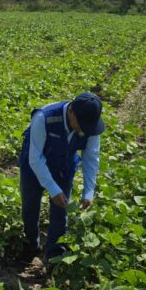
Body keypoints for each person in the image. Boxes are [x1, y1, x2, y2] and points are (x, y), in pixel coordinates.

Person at [19, 91, 105, 260]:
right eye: (81, 124)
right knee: (30, 208)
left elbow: (91, 158)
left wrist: (89, 192)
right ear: (71, 111)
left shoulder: (90, 125)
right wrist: (53, 190)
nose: (84, 129)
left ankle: (54, 256)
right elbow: (35, 158)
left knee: (60, 213)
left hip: (63, 168)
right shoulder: (44, 117)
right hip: (32, 167)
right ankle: (31, 245)